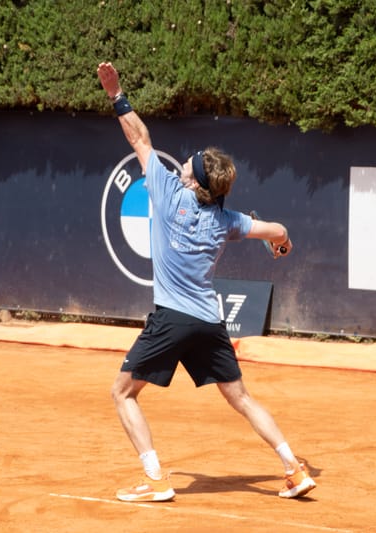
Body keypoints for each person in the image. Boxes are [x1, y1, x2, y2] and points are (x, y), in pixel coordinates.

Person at [97, 62, 315, 503]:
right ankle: (293, 469)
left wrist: (116, 93)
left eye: (190, 165)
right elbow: (275, 229)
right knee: (241, 398)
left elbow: (138, 137)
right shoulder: (227, 220)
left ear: (192, 177)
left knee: (122, 393)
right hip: (209, 322)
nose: (184, 166)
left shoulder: (164, 189)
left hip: (172, 319)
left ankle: (155, 479)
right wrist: (282, 244)